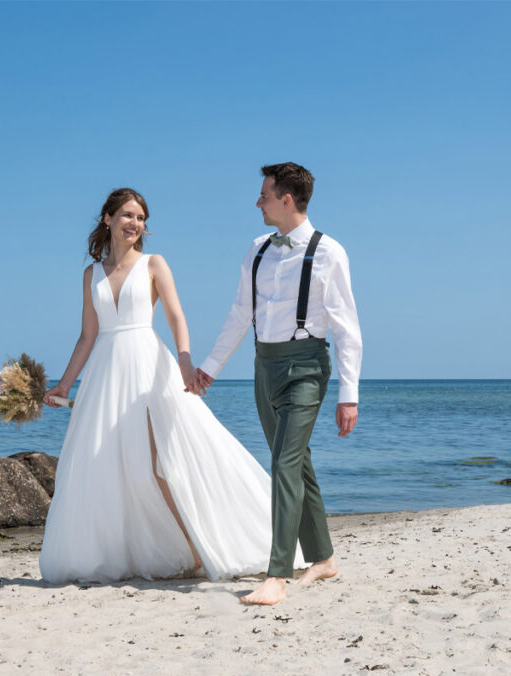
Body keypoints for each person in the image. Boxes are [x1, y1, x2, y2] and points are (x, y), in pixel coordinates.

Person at [39, 188, 301, 584]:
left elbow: (177, 317)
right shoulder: (91, 274)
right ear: (107, 219)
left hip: (148, 367)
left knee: (165, 462)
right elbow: (87, 336)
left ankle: (201, 548)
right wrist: (63, 385)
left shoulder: (154, 264)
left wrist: (184, 362)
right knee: (102, 465)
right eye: (127, 215)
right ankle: (123, 555)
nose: (135, 223)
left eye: (141, 218)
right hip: (105, 376)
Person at [196, 162, 363, 605]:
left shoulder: (330, 253)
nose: (258, 203)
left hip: (307, 368)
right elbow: (239, 313)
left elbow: (347, 328)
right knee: (297, 462)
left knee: (284, 465)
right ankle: (324, 557)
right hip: (263, 366)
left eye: (264, 195)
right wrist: (210, 365)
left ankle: (277, 576)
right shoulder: (257, 249)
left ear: (286, 200)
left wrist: (349, 395)